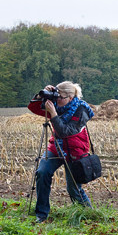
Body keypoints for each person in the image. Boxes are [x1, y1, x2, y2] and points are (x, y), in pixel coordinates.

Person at [28, 81, 95, 223]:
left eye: (60, 97)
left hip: (75, 150)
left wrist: (53, 113)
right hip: (56, 147)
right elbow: (33, 108)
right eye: (56, 96)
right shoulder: (57, 105)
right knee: (42, 172)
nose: (57, 100)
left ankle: (88, 215)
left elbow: (65, 131)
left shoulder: (81, 110)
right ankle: (41, 214)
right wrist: (43, 96)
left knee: (73, 188)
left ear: (70, 97)